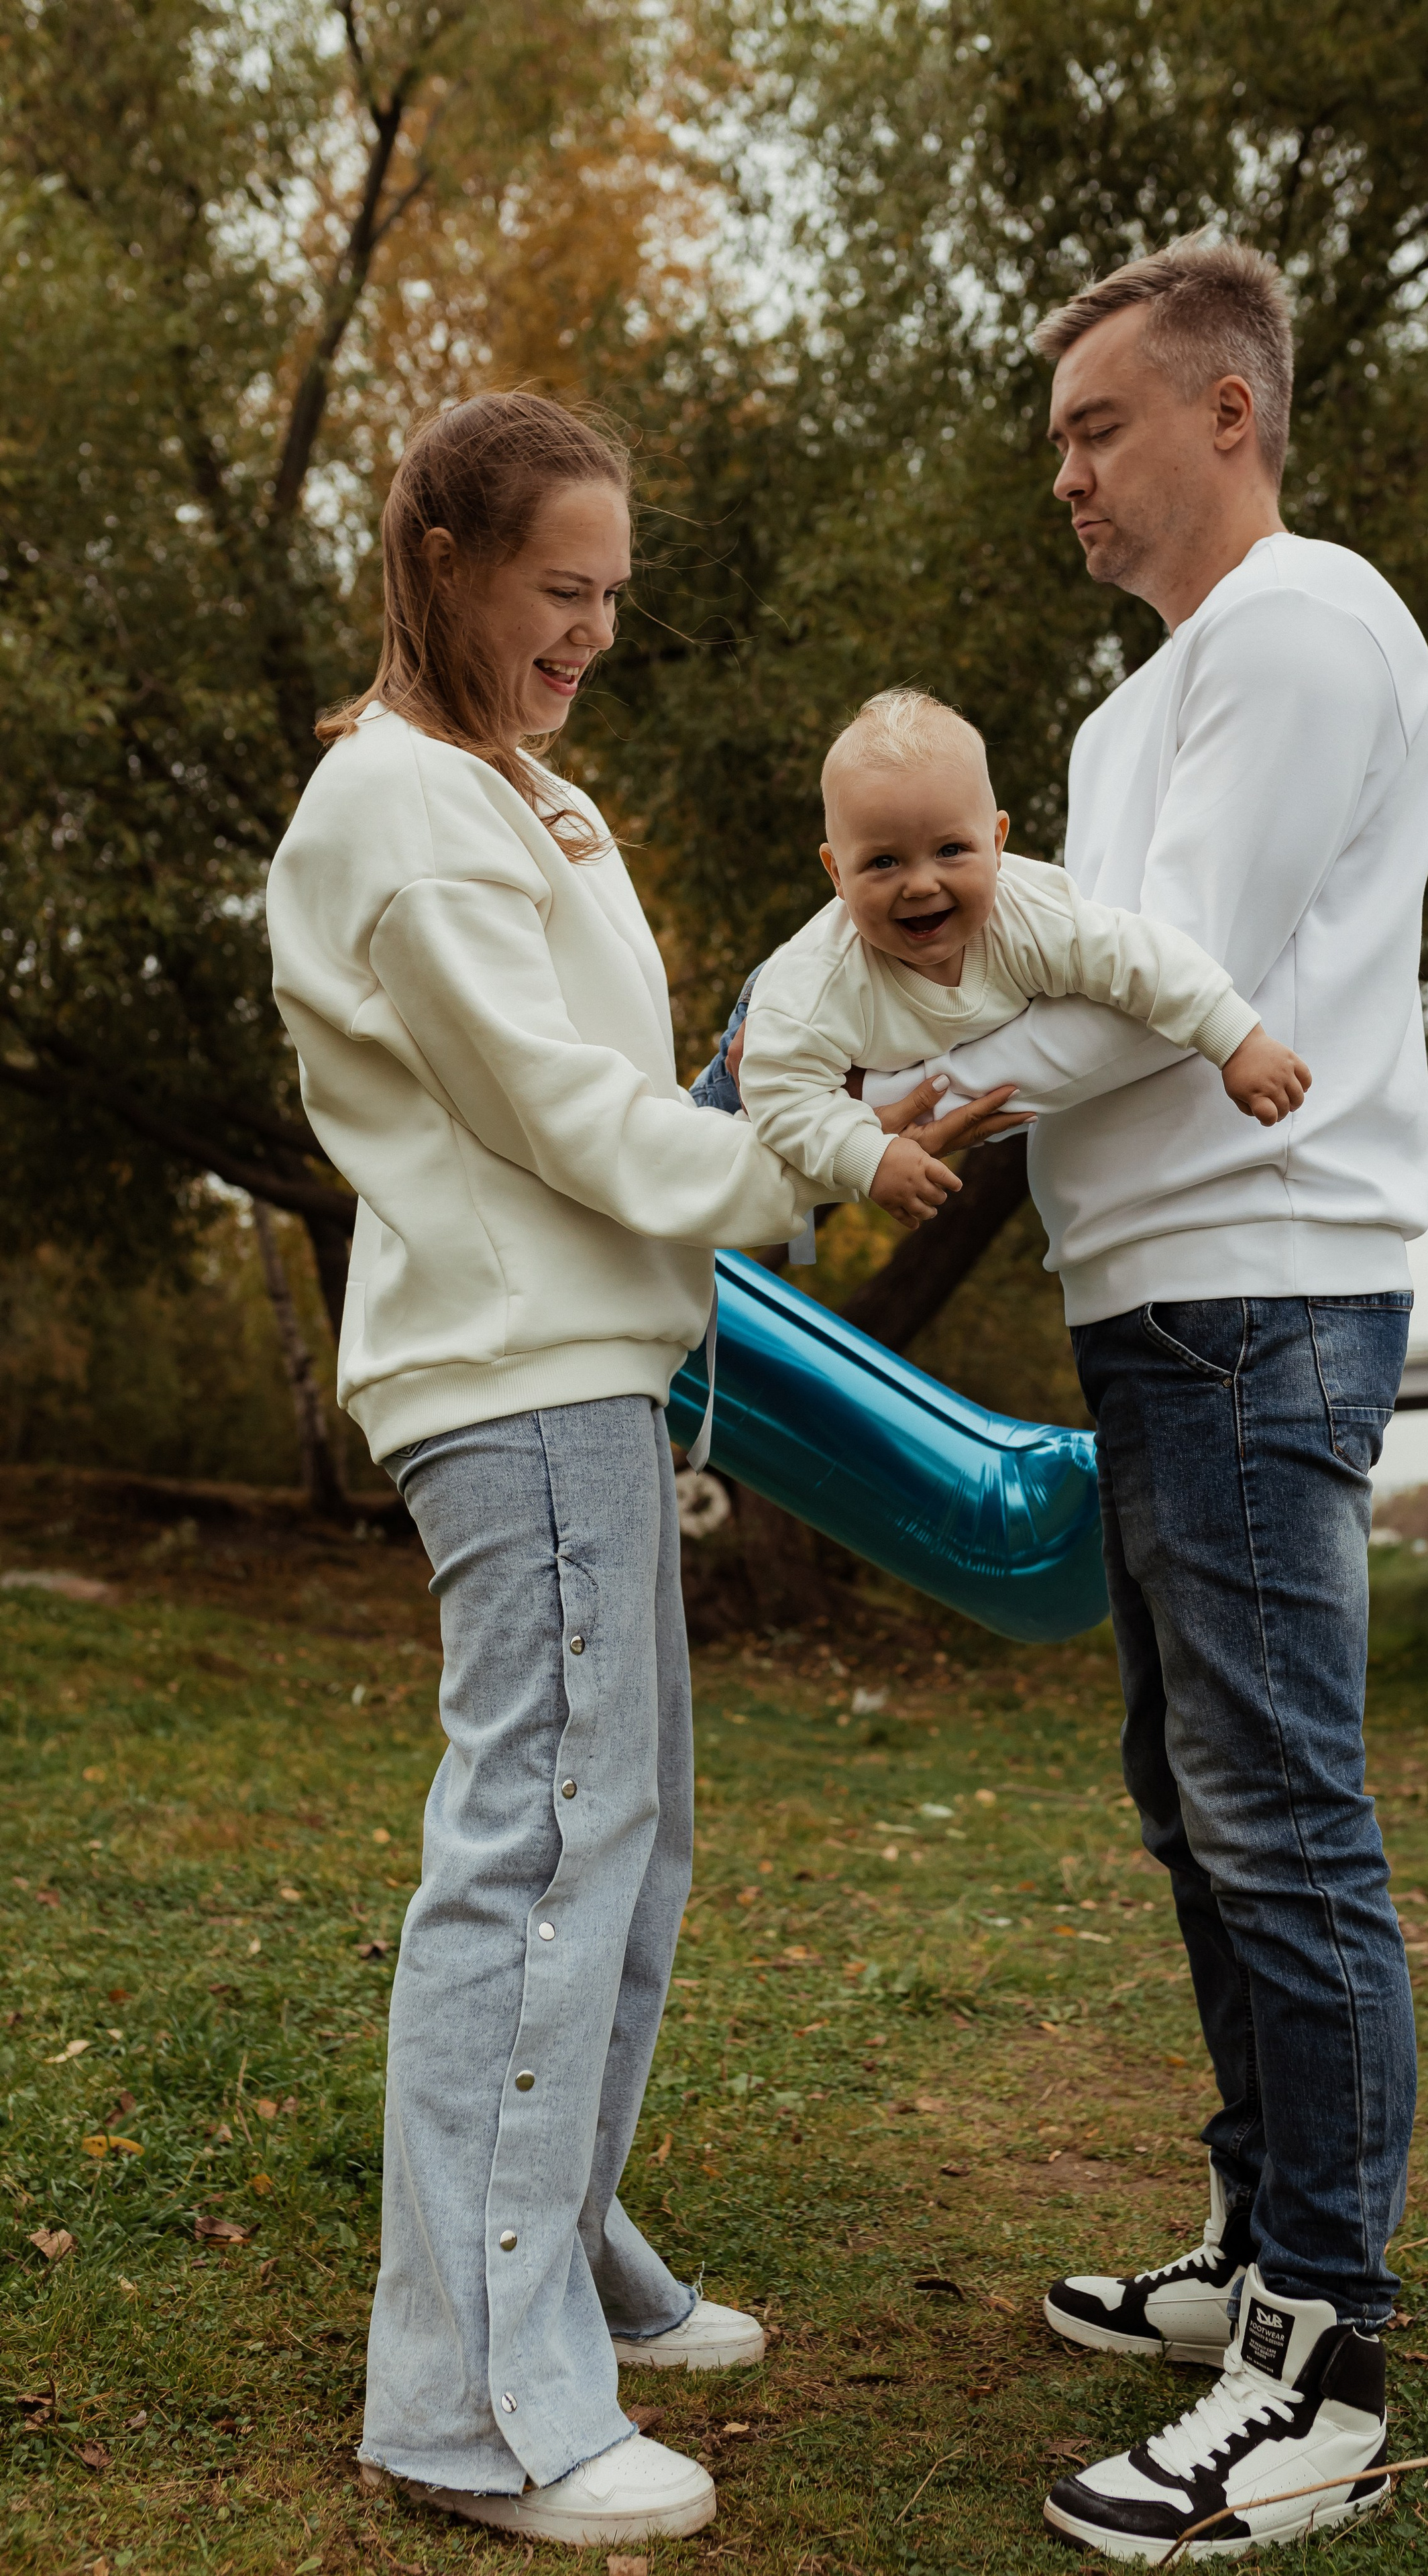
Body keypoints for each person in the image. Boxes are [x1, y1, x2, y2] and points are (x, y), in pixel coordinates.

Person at [264, 390, 1009, 2551]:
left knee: (631, 1839)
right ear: (444, 564)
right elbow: (559, 1129)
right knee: (535, 1854)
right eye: (558, 591)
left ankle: (557, 2252)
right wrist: (837, 1171)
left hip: (596, 1361)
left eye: (612, 597)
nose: (592, 629)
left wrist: (828, 1076)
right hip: (510, 1369)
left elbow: (634, 1079)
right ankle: (472, 2401)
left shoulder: (529, 795)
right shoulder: (397, 809)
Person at [868, 239, 1428, 2560]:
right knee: (1197, 1805)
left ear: (1228, 413)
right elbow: (1081, 977)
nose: (1070, 479)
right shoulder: (1142, 709)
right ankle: (1249, 2251)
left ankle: (1325, 2351)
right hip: (1160, 1304)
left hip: (1262, 1293)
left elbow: (1154, 992)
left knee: (1282, 1816)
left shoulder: (1304, 622)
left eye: (1099, 429)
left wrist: (865, 1096)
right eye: (1055, 445)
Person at [728, 684, 1309, 1234]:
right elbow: (780, 1090)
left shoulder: (1030, 917)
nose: (921, 884)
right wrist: (869, 1158)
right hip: (761, 1040)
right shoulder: (819, 984)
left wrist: (1236, 1040)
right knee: (714, 1181)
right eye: (884, 862)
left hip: (849, 1068)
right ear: (835, 873)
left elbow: (1138, 958)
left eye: (951, 850)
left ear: (999, 841)